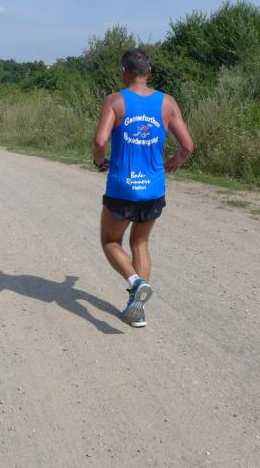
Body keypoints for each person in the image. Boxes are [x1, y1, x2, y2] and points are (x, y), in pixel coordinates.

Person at [92, 49, 194, 328]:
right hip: (153, 189)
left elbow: (100, 141)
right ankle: (138, 310)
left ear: (123, 71)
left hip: (122, 188)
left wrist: (99, 162)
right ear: (149, 72)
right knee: (140, 243)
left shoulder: (115, 101)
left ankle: (135, 283)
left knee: (110, 241)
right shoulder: (167, 103)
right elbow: (187, 146)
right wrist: (174, 162)